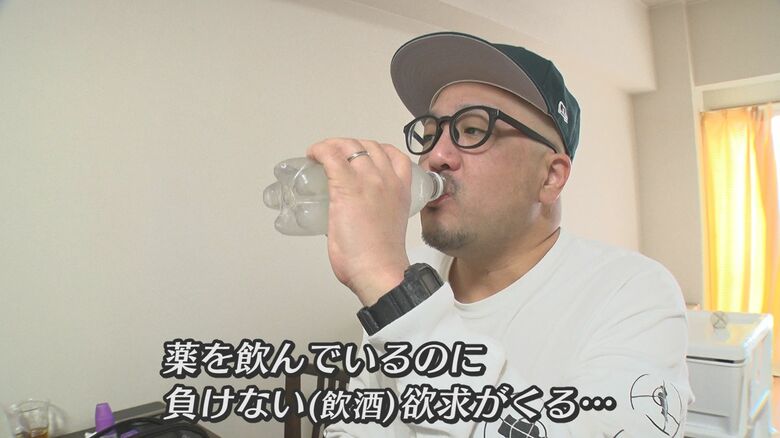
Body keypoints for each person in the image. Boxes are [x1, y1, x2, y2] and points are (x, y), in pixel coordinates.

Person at [307, 32, 692, 437]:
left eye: (474, 129)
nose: (435, 156)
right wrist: (396, 295)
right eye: (430, 132)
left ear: (550, 176)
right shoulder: (411, 278)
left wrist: (396, 298)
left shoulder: (632, 292)